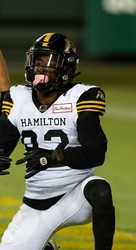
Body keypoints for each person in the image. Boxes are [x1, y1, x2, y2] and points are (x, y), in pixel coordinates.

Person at [0, 32, 115, 250]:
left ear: (66, 68)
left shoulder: (81, 96)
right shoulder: (18, 98)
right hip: (36, 203)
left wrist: (55, 156)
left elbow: (97, 151)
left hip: (76, 195)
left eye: (50, 62)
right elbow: (3, 143)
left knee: (100, 190)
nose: (41, 68)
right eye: (38, 61)